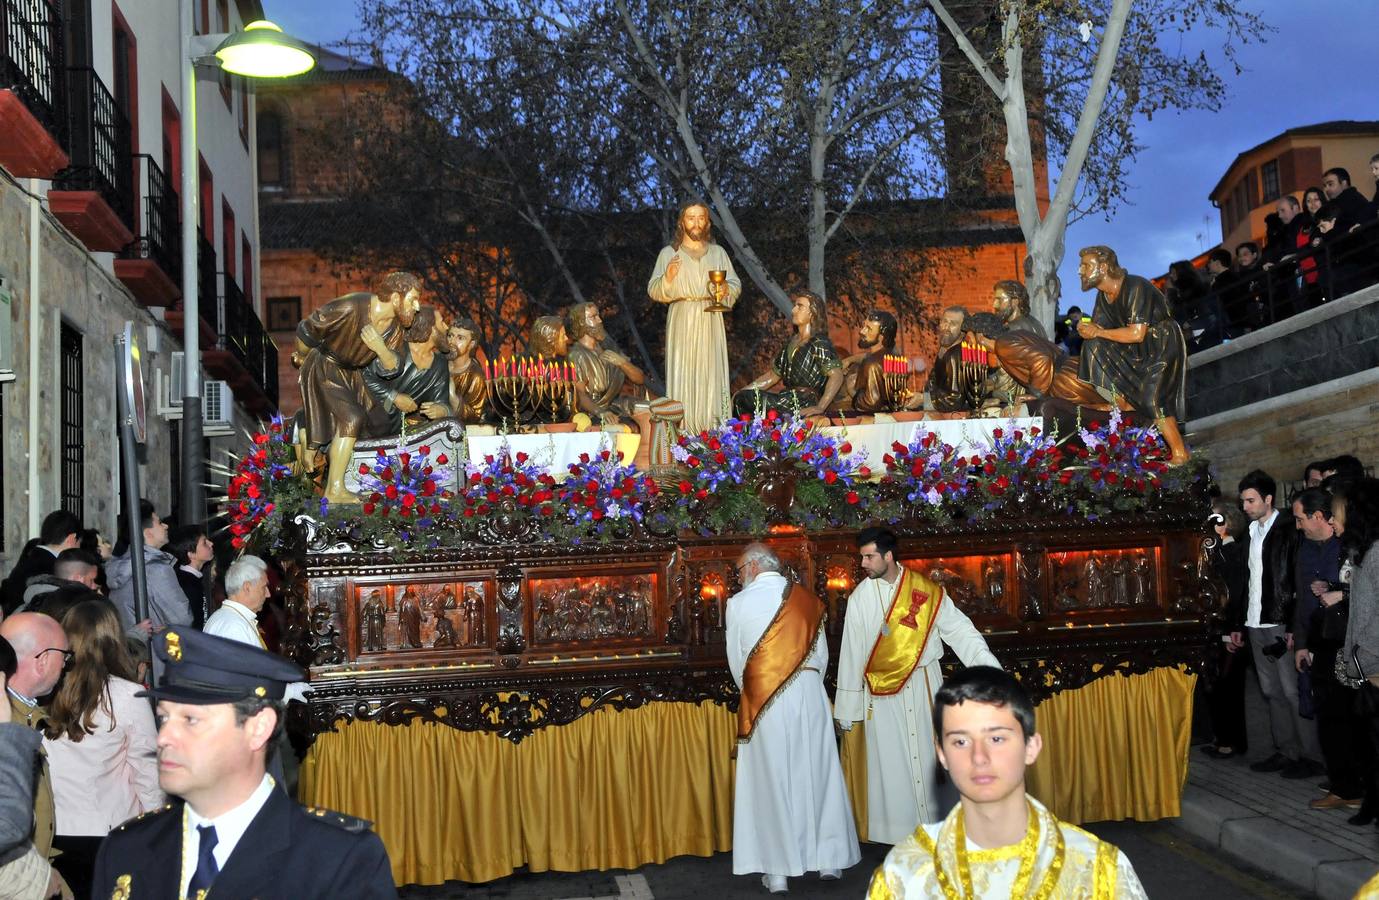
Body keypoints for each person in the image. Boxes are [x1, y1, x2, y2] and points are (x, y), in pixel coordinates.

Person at [89, 627, 397, 898]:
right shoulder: (126, 849)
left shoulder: (337, 858)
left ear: (257, 728)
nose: (164, 738)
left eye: (191, 720)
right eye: (164, 718)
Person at [867, 666, 1146, 898]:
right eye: (961, 741)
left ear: (1031, 747)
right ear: (941, 754)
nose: (979, 757)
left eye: (996, 738)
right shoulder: (903, 874)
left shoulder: (1097, 869)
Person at [835, 527, 1000, 843]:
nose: (864, 563)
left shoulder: (925, 591)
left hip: (924, 683)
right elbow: (852, 653)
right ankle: (902, 839)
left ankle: (941, 830)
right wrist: (848, 708)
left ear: (888, 556)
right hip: (882, 697)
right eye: (862, 557)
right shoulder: (860, 599)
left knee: (932, 759)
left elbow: (960, 632)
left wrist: (991, 673)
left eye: (869, 556)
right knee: (893, 768)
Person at [726, 543, 859, 892]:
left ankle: (779, 871)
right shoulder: (809, 601)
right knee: (818, 772)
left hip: (764, 698)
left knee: (772, 780)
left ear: (754, 566)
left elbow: (737, 663)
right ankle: (829, 859)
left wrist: (759, 688)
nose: (739, 578)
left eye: (740, 571)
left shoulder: (738, 604)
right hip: (811, 692)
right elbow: (824, 656)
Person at [41, 600, 163, 897]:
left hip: (55, 830)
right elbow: (146, 772)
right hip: (110, 828)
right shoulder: (125, 694)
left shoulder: (46, 689)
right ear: (113, 639)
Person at [293, 270, 422, 503]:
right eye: (412, 299)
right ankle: (334, 489)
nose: (417, 306)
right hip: (326, 366)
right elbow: (308, 329)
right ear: (395, 297)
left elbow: (393, 365)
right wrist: (300, 357)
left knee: (376, 423)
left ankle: (310, 435)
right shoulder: (352, 306)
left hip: (354, 374)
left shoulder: (394, 328)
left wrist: (379, 348)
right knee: (351, 418)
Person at [1232, 471, 1323, 778]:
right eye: (1243, 500)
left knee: (1292, 689)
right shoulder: (1250, 533)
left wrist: (1293, 626)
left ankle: (1311, 755)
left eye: (1250, 500)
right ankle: (1286, 750)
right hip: (1255, 620)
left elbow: (1296, 579)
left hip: (1280, 619)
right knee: (1271, 690)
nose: (1245, 506)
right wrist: (1239, 621)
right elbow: (1246, 581)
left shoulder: (1288, 530)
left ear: (1268, 499)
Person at [1075, 245, 1190, 464]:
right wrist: (1087, 329)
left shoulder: (1135, 286)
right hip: (1133, 348)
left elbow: (1137, 333)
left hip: (1159, 344)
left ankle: (1180, 453)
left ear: (1104, 267)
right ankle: (1121, 400)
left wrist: (1098, 331)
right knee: (1092, 346)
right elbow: (1101, 330)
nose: (1080, 271)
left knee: (1153, 398)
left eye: (1086, 265)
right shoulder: (1103, 296)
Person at [1288, 488, 1361, 808]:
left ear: (1321, 517)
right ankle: (1342, 784)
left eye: (1300, 518)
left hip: (1348, 642)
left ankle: (1353, 786)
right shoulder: (1305, 549)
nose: (1298, 525)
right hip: (1319, 641)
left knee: (1350, 719)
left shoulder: (1351, 546)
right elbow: (1303, 600)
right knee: (1328, 717)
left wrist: (1338, 592)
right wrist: (1301, 643)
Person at [647, 201, 743, 434]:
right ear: (682, 222)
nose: (696, 222)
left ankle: (714, 429)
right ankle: (684, 430)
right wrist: (668, 278)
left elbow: (734, 283)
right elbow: (653, 289)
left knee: (711, 370)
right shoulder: (669, 254)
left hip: (710, 318)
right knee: (684, 370)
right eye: (691, 217)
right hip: (682, 317)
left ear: (707, 222)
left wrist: (724, 291)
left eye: (701, 217)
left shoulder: (718, 253)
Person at [0, 611, 73, 899]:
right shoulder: (9, 727)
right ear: (43, 659)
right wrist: (39, 879)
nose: (66, 666)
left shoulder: (26, 715)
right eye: (64, 657)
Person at [1331, 478, 1379, 831]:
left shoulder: (1378, 553)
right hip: (1367, 667)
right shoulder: (1363, 552)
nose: (1333, 520)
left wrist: (1366, 656)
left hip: (1375, 666)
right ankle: (1373, 803)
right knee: (1368, 746)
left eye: (1337, 513)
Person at [204, 557, 310, 704]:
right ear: (247, 587)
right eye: (263, 587)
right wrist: (287, 692)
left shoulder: (229, 618)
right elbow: (244, 682)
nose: (268, 594)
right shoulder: (233, 626)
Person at [733, 291, 845, 419]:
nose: (793, 310)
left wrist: (820, 407)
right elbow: (772, 376)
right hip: (787, 399)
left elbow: (837, 375)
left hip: (804, 401)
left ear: (812, 313)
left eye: (800, 306)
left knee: (743, 399)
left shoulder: (819, 342)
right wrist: (743, 391)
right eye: (795, 306)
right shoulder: (790, 344)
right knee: (741, 397)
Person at [1200, 500, 1250, 760]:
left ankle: (1230, 740)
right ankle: (1222, 737)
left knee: (1229, 688)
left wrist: (1231, 631)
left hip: (1229, 628)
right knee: (1217, 686)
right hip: (1217, 628)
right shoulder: (1216, 552)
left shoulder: (1233, 554)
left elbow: (1235, 594)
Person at [363, 304, 452, 435]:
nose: (446, 327)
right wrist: (394, 397)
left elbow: (442, 401)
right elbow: (364, 377)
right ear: (430, 327)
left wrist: (442, 410)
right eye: (441, 322)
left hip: (409, 432)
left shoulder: (440, 364)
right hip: (373, 424)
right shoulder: (396, 348)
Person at [107, 499, 187, 638]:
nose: (166, 526)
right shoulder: (156, 569)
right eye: (160, 522)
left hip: (132, 649)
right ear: (147, 533)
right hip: (157, 650)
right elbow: (182, 618)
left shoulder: (120, 566)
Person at [566, 301, 648, 425]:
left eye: (598, 315)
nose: (599, 320)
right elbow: (579, 394)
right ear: (581, 322)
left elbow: (640, 379)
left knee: (656, 409)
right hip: (593, 411)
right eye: (593, 317)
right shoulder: (577, 355)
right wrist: (599, 412)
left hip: (616, 404)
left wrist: (622, 363)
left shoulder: (608, 348)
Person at [1, 510, 81, 615]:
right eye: (79, 543)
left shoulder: (31, 559)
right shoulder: (53, 568)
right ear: (71, 539)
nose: (79, 549)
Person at [922, 306, 986, 413]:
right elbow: (934, 383)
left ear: (963, 330)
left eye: (953, 324)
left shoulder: (955, 355)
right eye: (944, 321)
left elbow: (954, 399)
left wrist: (923, 400)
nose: (946, 327)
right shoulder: (945, 351)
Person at [840, 309, 900, 413]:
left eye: (869, 329)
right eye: (864, 326)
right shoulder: (892, 354)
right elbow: (867, 356)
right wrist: (850, 360)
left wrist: (853, 391)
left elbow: (871, 403)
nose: (862, 331)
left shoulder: (872, 364)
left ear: (881, 337)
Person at [19, 548, 101, 611]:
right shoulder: (74, 615)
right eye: (91, 580)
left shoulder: (23, 609)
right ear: (77, 579)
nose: (95, 586)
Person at [168, 525, 215, 630]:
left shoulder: (190, 579)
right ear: (191, 554)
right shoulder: (187, 585)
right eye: (204, 543)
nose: (211, 543)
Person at [446, 317, 489, 424]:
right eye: (450, 336)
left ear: (472, 344)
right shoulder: (438, 364)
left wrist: (452, 396)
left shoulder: (475, 376)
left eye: (460, 338)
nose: (452, 342)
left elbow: (474, 417)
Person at [1321, 167, 1372, 232]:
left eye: (1330, 184)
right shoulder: (1337, 203)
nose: (1326, 189)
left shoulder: (1352, 201)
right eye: (1325, 186)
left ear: (1344, 183)